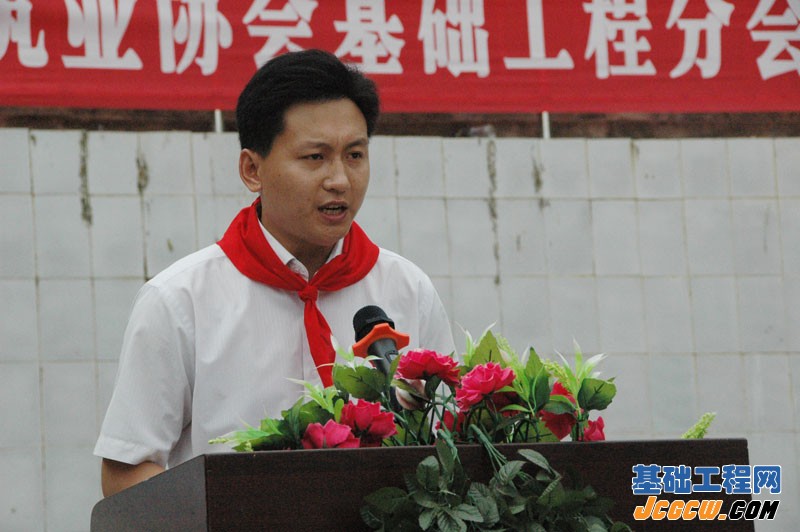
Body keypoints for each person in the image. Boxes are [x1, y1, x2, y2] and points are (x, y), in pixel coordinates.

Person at [94, 49, 455, 496]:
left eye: (355, 155)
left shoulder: (408, 290)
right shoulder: (179, 302)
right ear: (252, 170)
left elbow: (450, 443)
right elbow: (126, 472)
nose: (340, 180)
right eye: (315, 157)